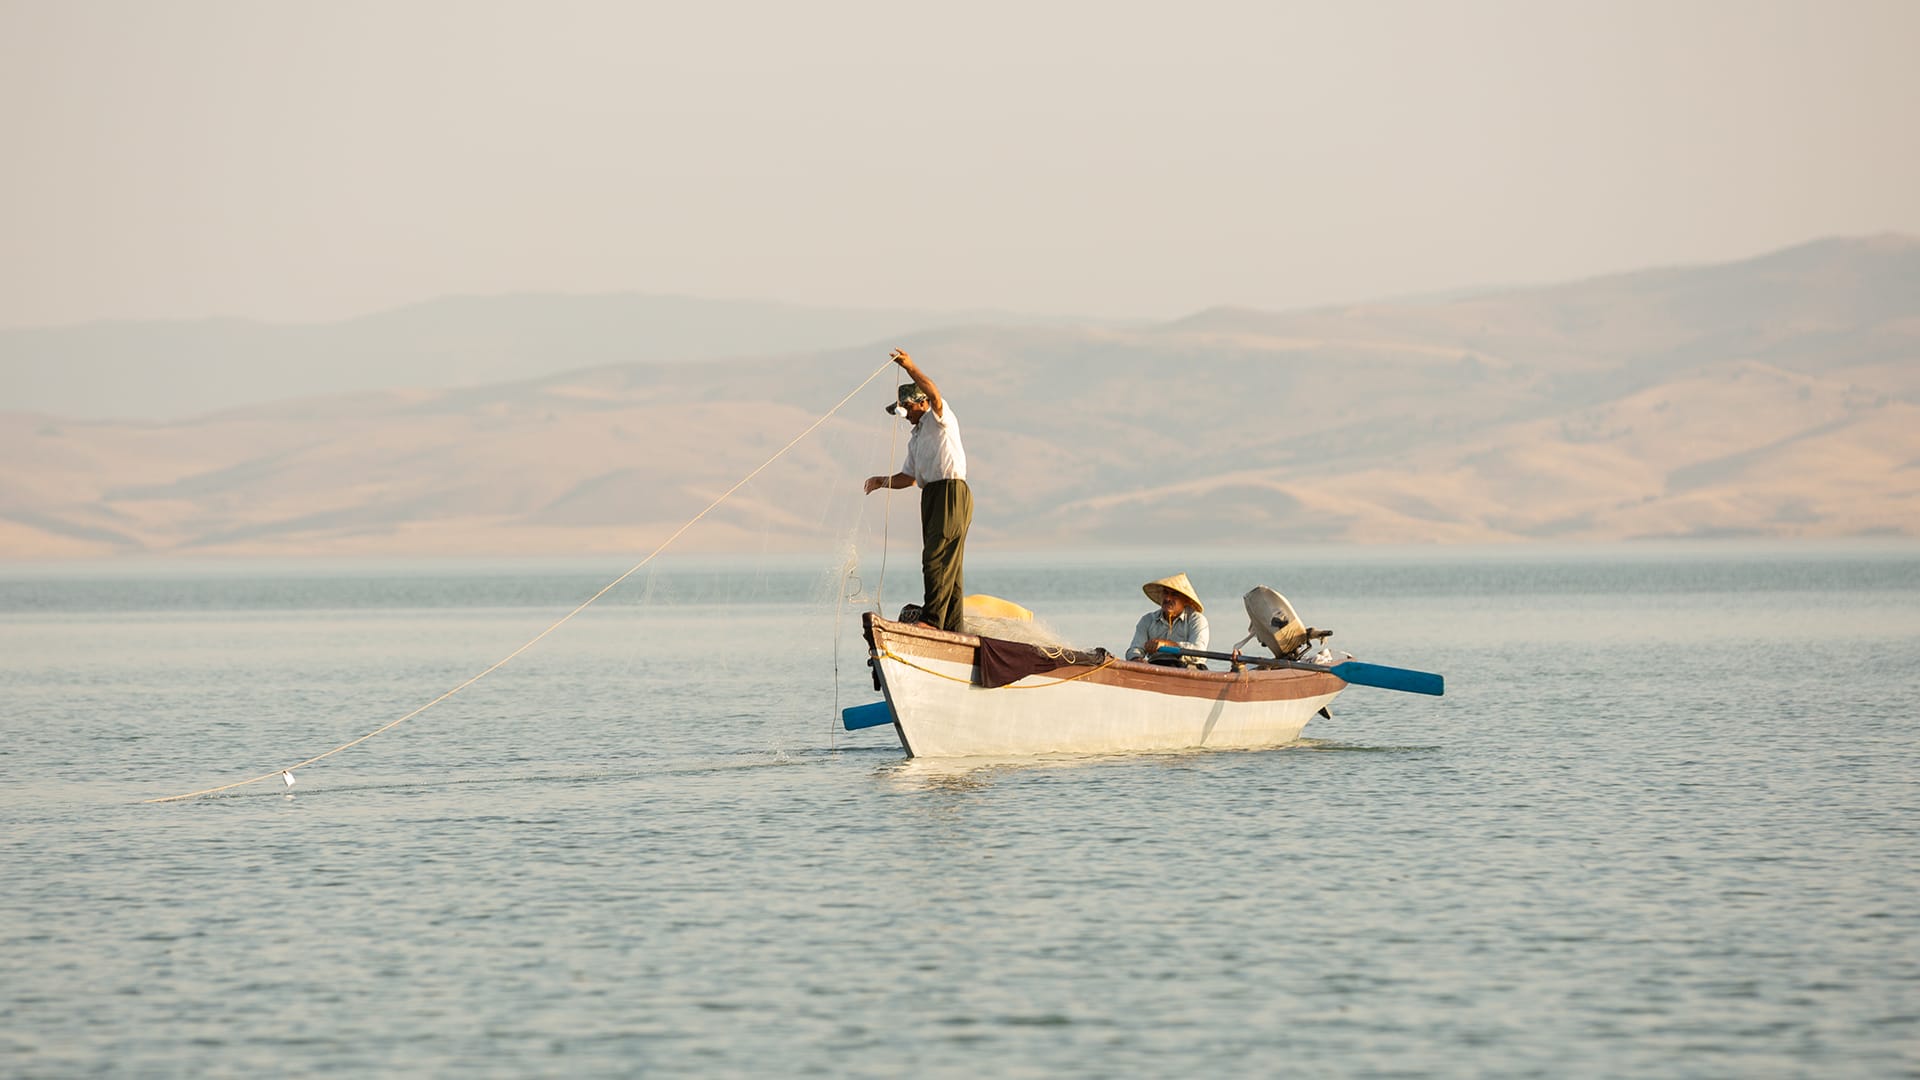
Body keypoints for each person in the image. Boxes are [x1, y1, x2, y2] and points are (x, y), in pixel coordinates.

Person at [862, 348, 972, 633]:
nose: (906, 416)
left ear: (920, 403)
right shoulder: (916, 438)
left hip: (950, 492)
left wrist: (910, 367)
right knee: (948, 565)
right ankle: (952, 627)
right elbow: (908, 478)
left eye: (908, 408)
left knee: (935, 557)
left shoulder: (938, 418)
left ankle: (932, 621)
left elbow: (933, 392)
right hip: (931, 495)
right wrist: (882, 481)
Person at [1127, 573, 1210, 669]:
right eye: (1165, 593)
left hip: (1189, 668)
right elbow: (1135, 649)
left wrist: (1167, 644)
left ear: (1185, 600)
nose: (1167, 598)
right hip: (1156, 667)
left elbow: (1198, 652)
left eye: (1174, 594)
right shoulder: (1148, 620)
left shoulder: (1197, 620)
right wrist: (1137, 659)